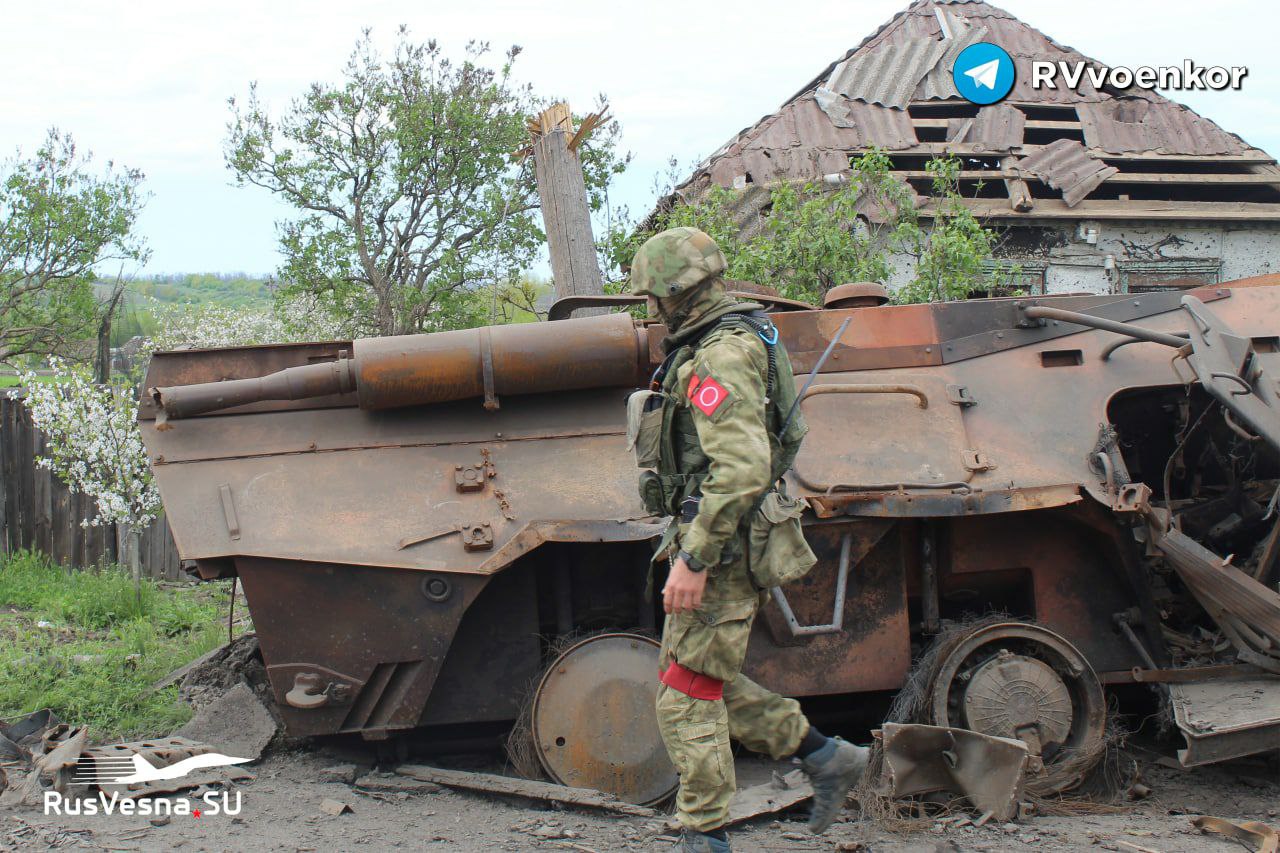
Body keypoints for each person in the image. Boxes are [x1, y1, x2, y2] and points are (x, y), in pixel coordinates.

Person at [627, 227, 869, 853]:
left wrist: (695, 557)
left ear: (676, 292)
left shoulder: (720, 355)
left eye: (653, 297)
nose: (650, 311)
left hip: (723, 545)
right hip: (724, 536)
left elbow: (739, 468)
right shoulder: (732, 335)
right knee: (706, 678)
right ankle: (825, 757)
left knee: (684, 695)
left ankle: (702, 834)